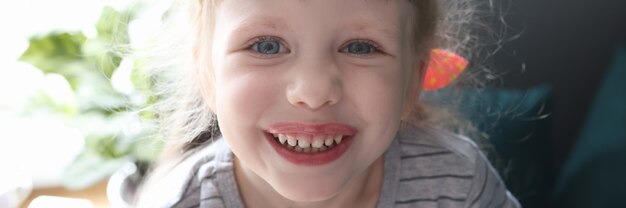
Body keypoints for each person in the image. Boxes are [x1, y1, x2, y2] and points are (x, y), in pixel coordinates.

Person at [134, 0, 521, 207]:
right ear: (207, 73)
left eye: (360, 47)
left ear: (411, 83)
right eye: (266, 46)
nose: (314, 91)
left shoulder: (457, 185)